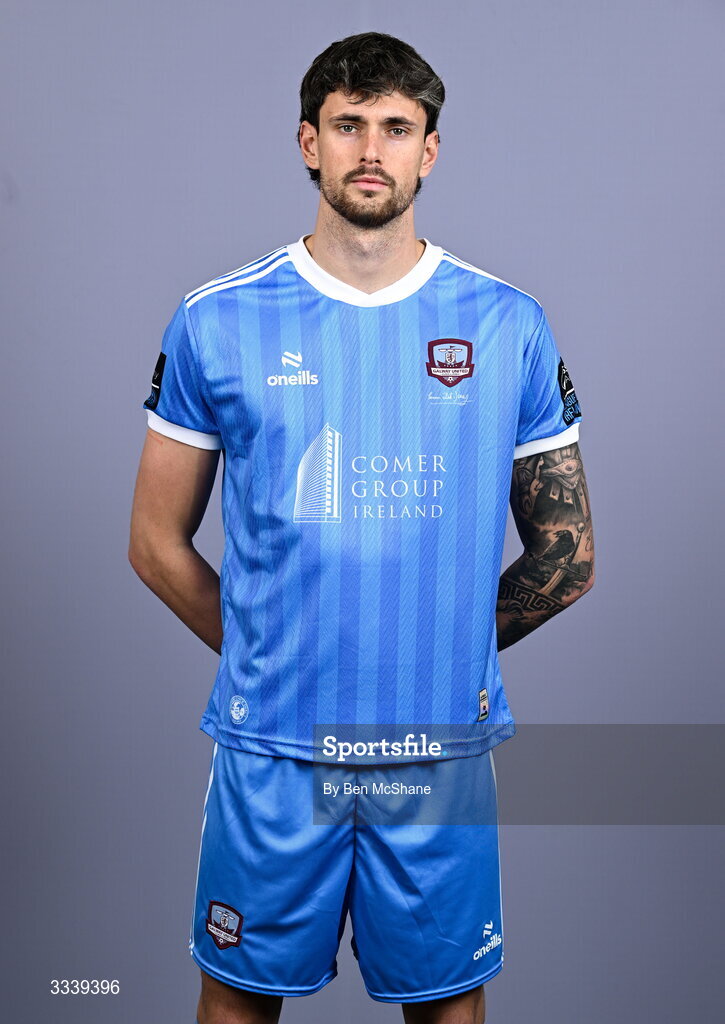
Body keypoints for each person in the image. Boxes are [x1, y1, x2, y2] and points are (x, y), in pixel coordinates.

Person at [128, 30, 595, 1024]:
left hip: (432, 750)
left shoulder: (506, 324)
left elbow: (563, 559)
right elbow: (155, 542)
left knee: (444, 1005)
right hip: (272, 751)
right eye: (347, 126)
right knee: (236, 1001)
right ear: (308, 142)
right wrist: (266, 653)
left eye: (395, 127)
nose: (370, 149)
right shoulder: (218, 319)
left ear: (430, 150)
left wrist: (433, 654)